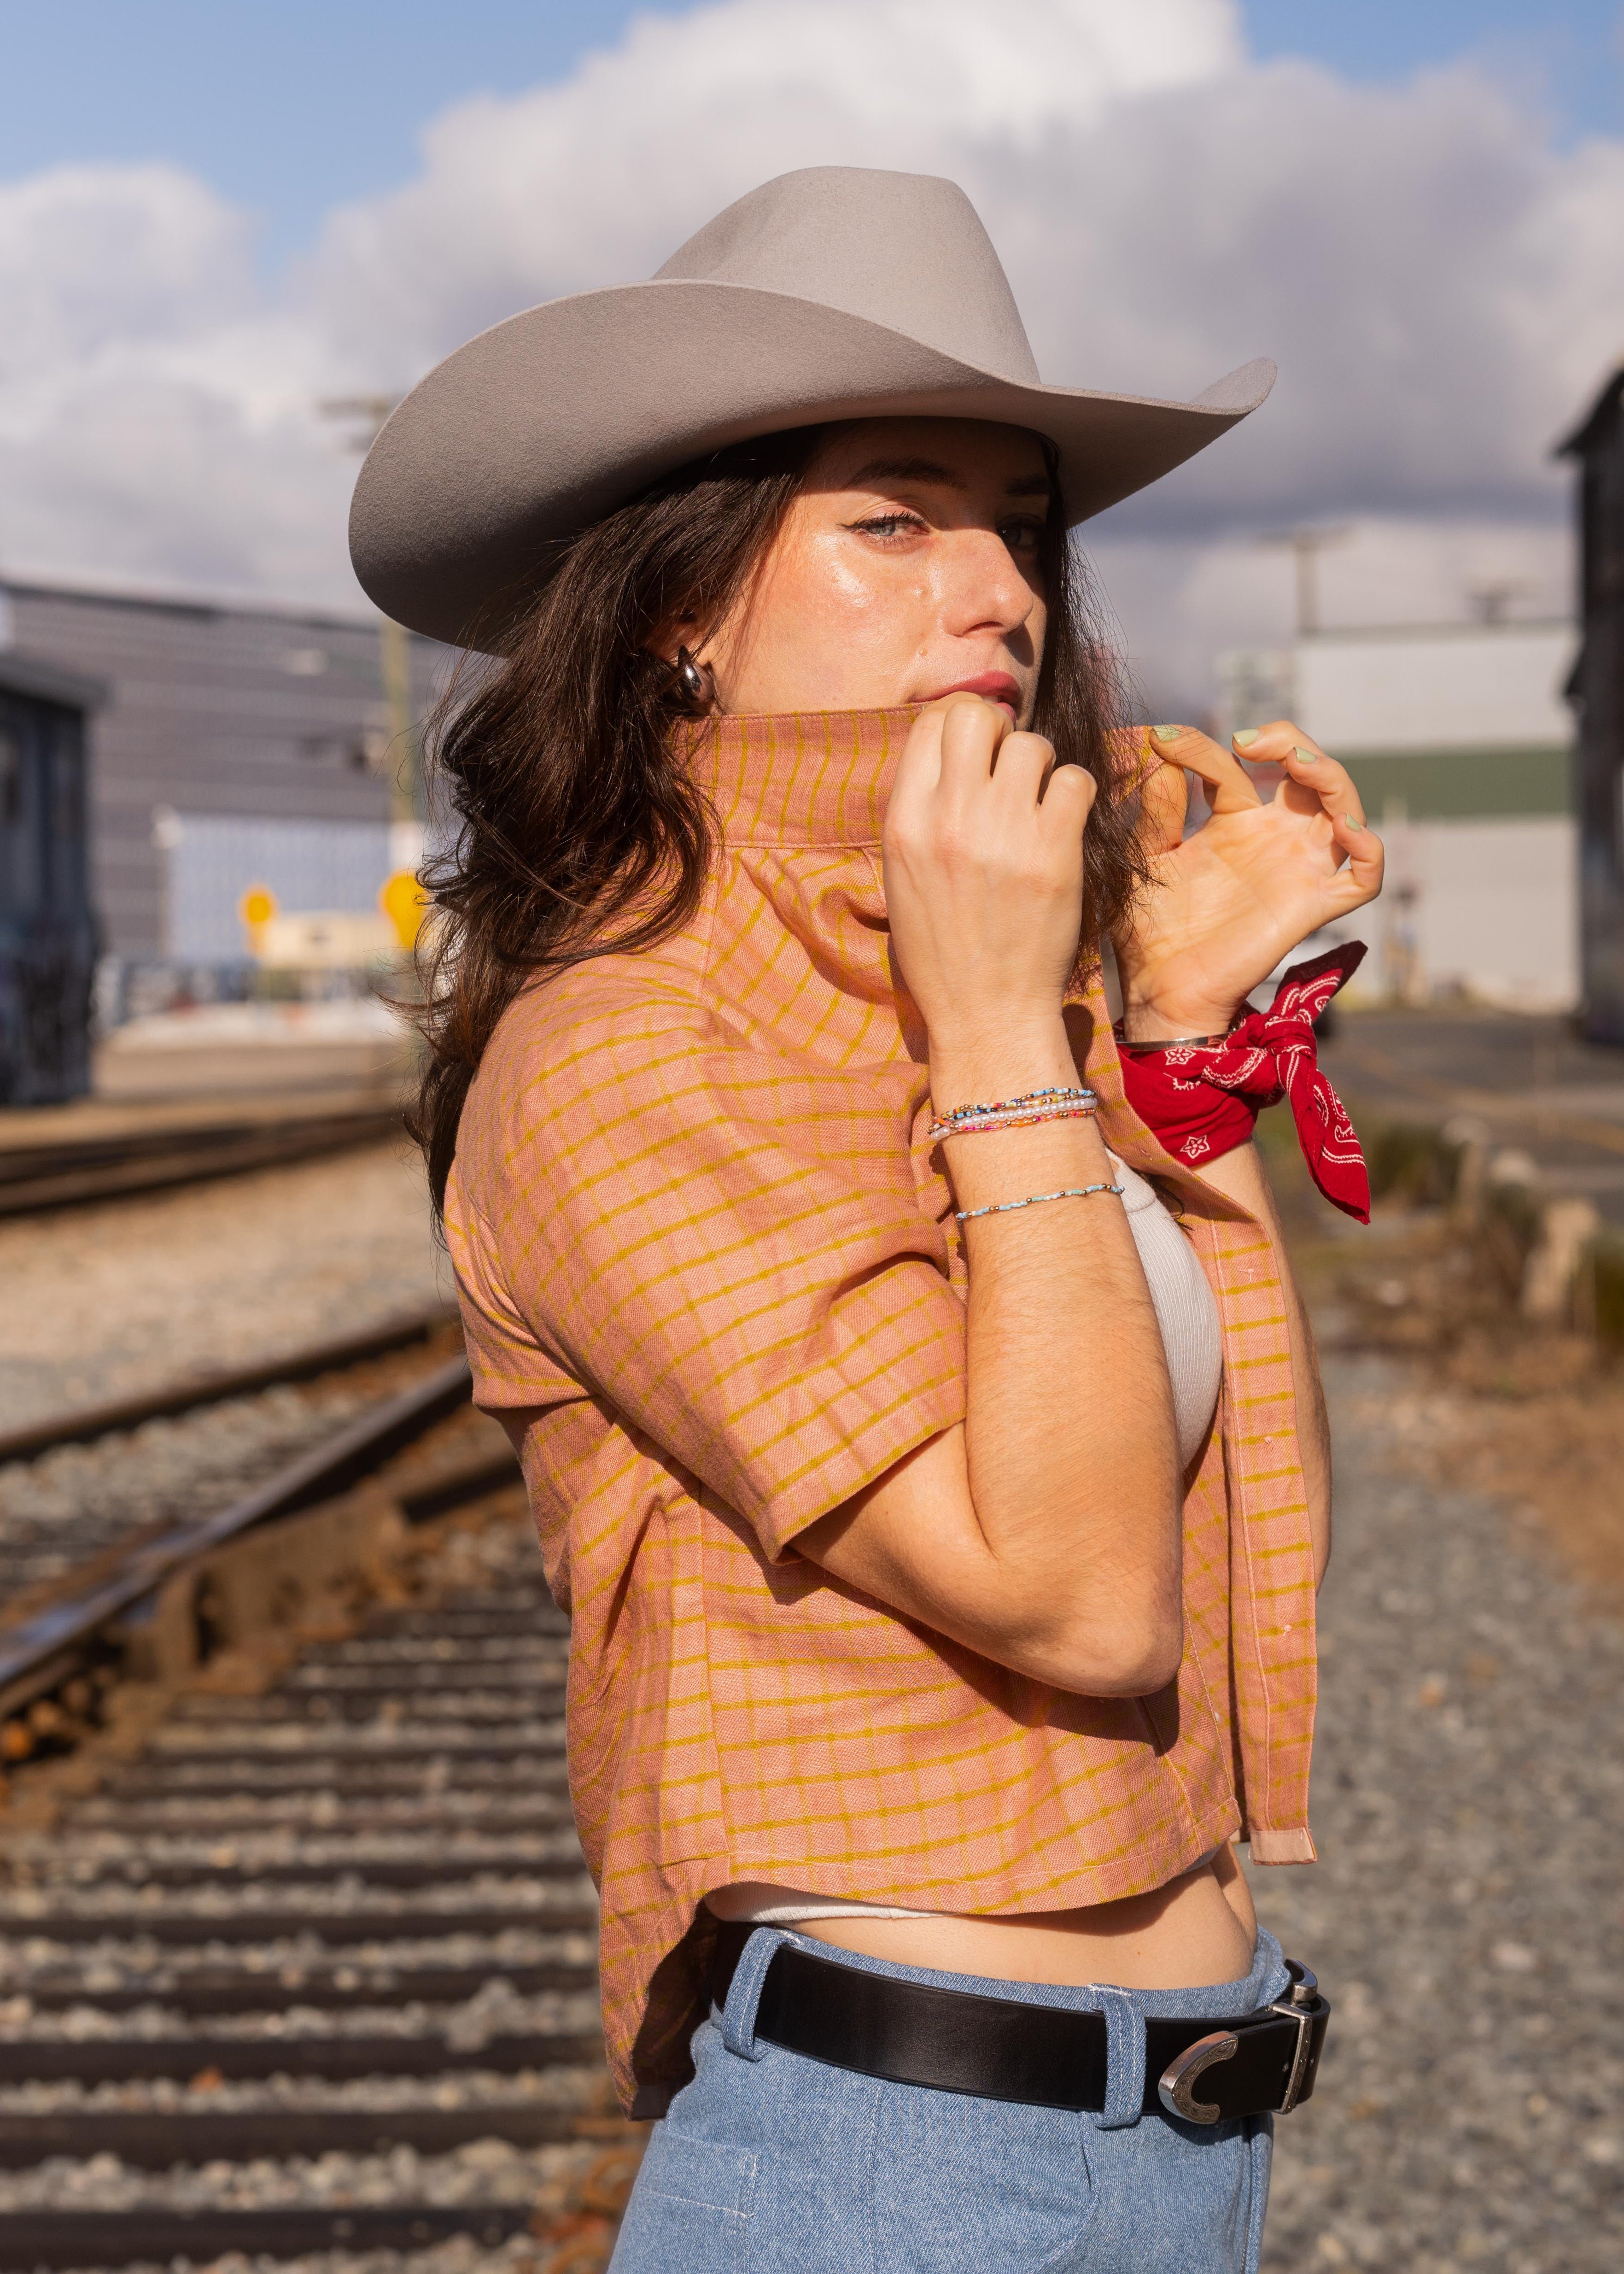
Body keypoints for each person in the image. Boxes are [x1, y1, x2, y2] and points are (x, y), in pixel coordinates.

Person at [351, 166, 1382, 2274]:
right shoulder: (628, 1046)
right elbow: (1086, 1599)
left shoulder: (984, 986)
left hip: (1169, 2145)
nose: (996, 587)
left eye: (1018, 519)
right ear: (678, 604)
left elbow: (1218, 1508)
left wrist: (1166, 1033)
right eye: (895, 520)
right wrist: (1021, 1028)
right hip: (899, 2172)